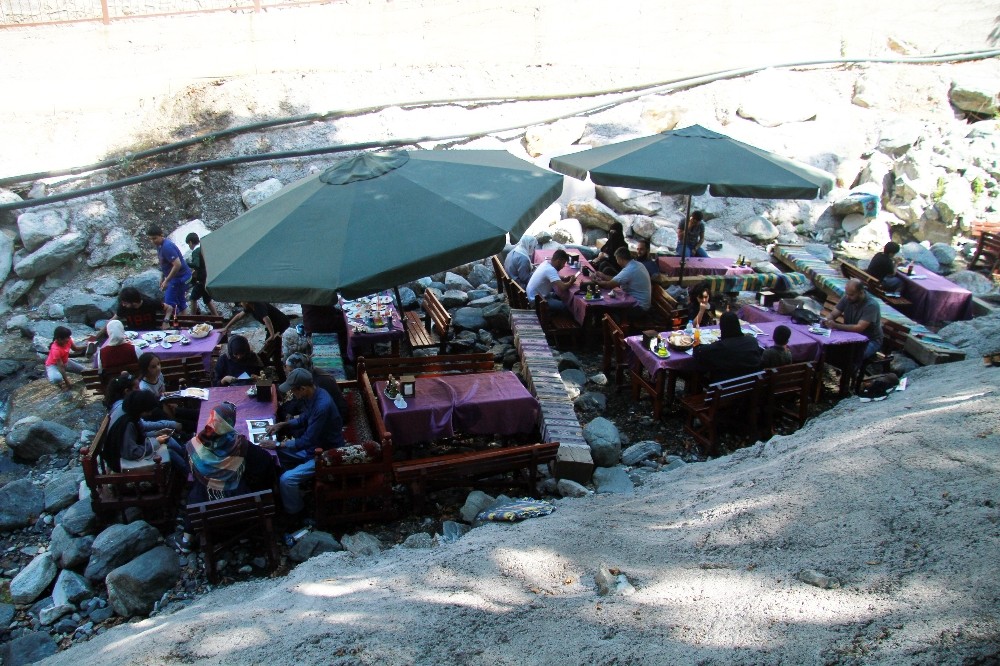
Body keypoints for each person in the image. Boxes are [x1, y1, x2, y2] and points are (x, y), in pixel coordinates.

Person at [172, 401, 277, 553]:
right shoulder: (240, 444)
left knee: (198, 489)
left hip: (206, 513)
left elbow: (192, 472)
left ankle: (187, 539)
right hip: (243, 508)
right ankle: (245, 534)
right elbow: (265, 463)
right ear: (230, 423)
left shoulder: (193, 446)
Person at [259, 368, 345, 521]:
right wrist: (283, 424)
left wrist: (279, 443)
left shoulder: (322, 406)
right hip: (312, 447)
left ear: (303, 388)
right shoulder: (314, 395)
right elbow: (304, 417)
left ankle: (296, 514)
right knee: (274, 455)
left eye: (293, 391)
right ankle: (291, 493)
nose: (292, 394)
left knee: (287, 480)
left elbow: (307, 440)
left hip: (324, 452)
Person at [102, 389, 189, 478]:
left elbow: (139, 436)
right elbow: (132, 453)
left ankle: (186, 454)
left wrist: (157, 434)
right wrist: (156, 442)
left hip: (130, 453)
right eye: (148, 411)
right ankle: (189, 473)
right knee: (170, 453)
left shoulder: (133, 418)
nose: (150, 413)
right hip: (121, 462)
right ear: (140, 409)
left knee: (168, 439)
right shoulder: (128, 424)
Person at [223, 301, 290, 375]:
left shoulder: (258, 306)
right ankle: (277, 356)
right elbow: (238, 316)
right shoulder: (249, 307)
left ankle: (276, 360)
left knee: (269, 344)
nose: (241, 304)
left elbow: (266, 319)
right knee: (270, 344)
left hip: (280, 323)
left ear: (246, 302)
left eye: (242, 302)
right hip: (274, 325)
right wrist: (226, 327)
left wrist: (272, 335)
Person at [693, 312, 763, 383]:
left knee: (697, 372)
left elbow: (698, 352)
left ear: (722, 327)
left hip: (725, 388)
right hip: (751, 386)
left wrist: (696, 344)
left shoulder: (721, 346)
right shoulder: (752, 341)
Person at [823, 278, 883, 361]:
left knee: (853, 357)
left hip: (870, 340)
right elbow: (833, 314)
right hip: (850, 336)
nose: (847, 297)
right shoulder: (847, 298)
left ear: (861, 293)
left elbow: (859, 328)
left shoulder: (871, 306)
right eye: (846, 294)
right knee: (827, 348)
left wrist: (835, 325)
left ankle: (851, 372)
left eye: (851, 295)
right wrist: (826, 320)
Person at [279, 352, 349, 422]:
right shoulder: (309, 373)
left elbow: (310, 408)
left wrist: (292, 419)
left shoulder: (319, 382)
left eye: (291, 371)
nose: (288, 374)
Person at [146, 225, 192, 322]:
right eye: (150, 239)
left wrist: (167, 280)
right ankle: (186, 323)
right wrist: (163, 277)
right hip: (175, 277)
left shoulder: (167, 246)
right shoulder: (159, 246)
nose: (153, 241)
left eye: (155, 238)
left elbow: (177, 264)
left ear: (161, 235)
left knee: (169, 302)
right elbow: (165, 264)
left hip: (180, 277)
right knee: (180, 300)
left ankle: (175, 323)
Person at [593, 247, 652, 311]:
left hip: (638, 307)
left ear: (620, 259)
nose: (617, 262)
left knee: (603, 306)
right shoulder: (637, 264)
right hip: (642, 304)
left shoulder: (629, 270)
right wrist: (603, 276)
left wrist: (596, 281)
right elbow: (617, 279)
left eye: (617, 259)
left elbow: (609, 285)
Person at [185, 232, 219, 317]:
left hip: (201, 279)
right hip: (207, 277)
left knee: (193, 298)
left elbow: (197, 264)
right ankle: (217, 317)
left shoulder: (196, 251)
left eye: (188, 244)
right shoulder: (203, 249)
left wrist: (186, 264)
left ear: (190, 242)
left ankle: (192, 318)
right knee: (207, 300)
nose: (189, 247)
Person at [45, 326, 88, 390]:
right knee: (57, 379)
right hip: (54, 365)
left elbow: (75, 349)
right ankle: (60, 384)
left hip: (65, 362)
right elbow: (61, 366)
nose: (68, 339)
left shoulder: (68, 340)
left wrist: (86, 346)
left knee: (86, 372)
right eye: (66, 338)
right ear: (59, 339)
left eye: (68, 337)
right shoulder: (55, 349)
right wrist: (67, 382)